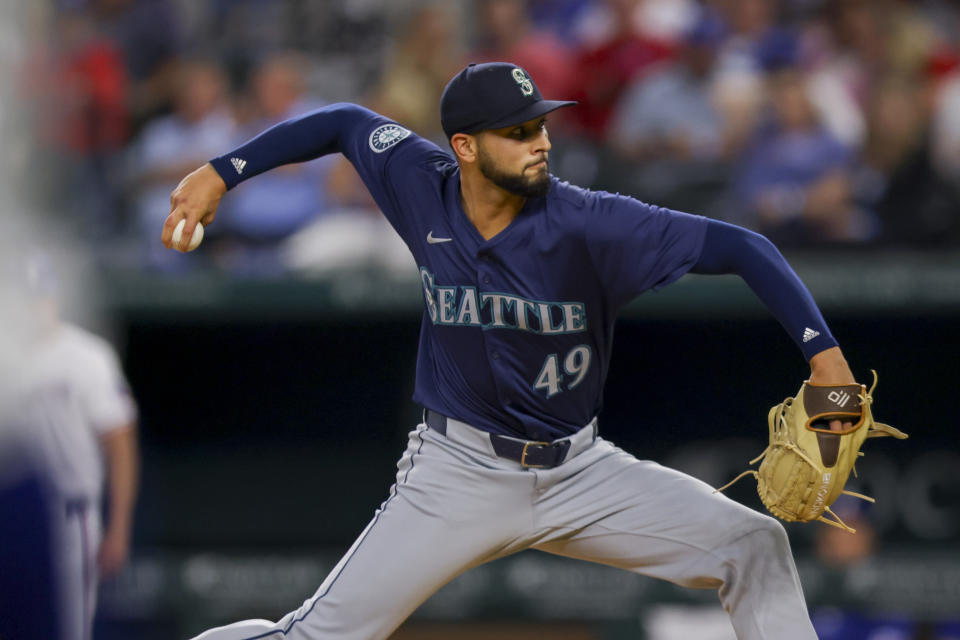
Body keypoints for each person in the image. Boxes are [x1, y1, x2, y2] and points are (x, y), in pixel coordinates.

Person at [165, 62, 860, 640]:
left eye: (541, 125)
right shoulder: (419, 185)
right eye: (518, 131)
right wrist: (222, 171)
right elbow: (343, 122)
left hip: (581, 472)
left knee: (754, 547)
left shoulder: (591, 224)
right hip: (458, 471)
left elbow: (744, 246)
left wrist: (825, 360)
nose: (540, 142)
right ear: (465, 147)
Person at [0, 254, 139, 640]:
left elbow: (120, 444)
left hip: (71, 513)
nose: (33, 309)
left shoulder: (86, 356)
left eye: (39, 298)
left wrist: (119, 526)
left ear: (54, 300)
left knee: (67, 629)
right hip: (11, 508)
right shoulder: (6, 356)